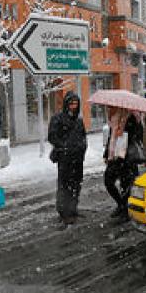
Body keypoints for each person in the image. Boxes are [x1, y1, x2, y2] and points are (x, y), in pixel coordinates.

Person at [48, 92, 87, 229]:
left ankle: (73, 209)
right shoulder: (57, 119)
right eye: (71, 103)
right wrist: (64, 147)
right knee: (64, 185)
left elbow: (83, 136)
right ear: (66, 104)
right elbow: (52, 137)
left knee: (76, 184)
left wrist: (82, 148)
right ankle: (64, 212)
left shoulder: (79, 120)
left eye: (76, 104)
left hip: (78, 158)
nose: (73, 106)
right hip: (65, 159)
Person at [104, 108, 143, 221]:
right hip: (114, 156)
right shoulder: (115, 117)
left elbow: (138, 137)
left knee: (126, 185)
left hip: (127, 158)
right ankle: (121, 204)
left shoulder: (134, 118)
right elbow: (111, 137)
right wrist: (106, 153)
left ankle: (125, 211)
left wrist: (126, 131)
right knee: (108, 181)